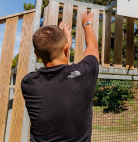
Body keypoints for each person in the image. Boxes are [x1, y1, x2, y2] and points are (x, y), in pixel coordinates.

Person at [21, 11, 99, 142]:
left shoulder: (29, 83)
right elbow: (92, 46)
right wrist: (87, 24)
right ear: (66, 48)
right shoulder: (85, 72)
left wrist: (65, 47)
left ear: (37, 54)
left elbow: (62, 76)